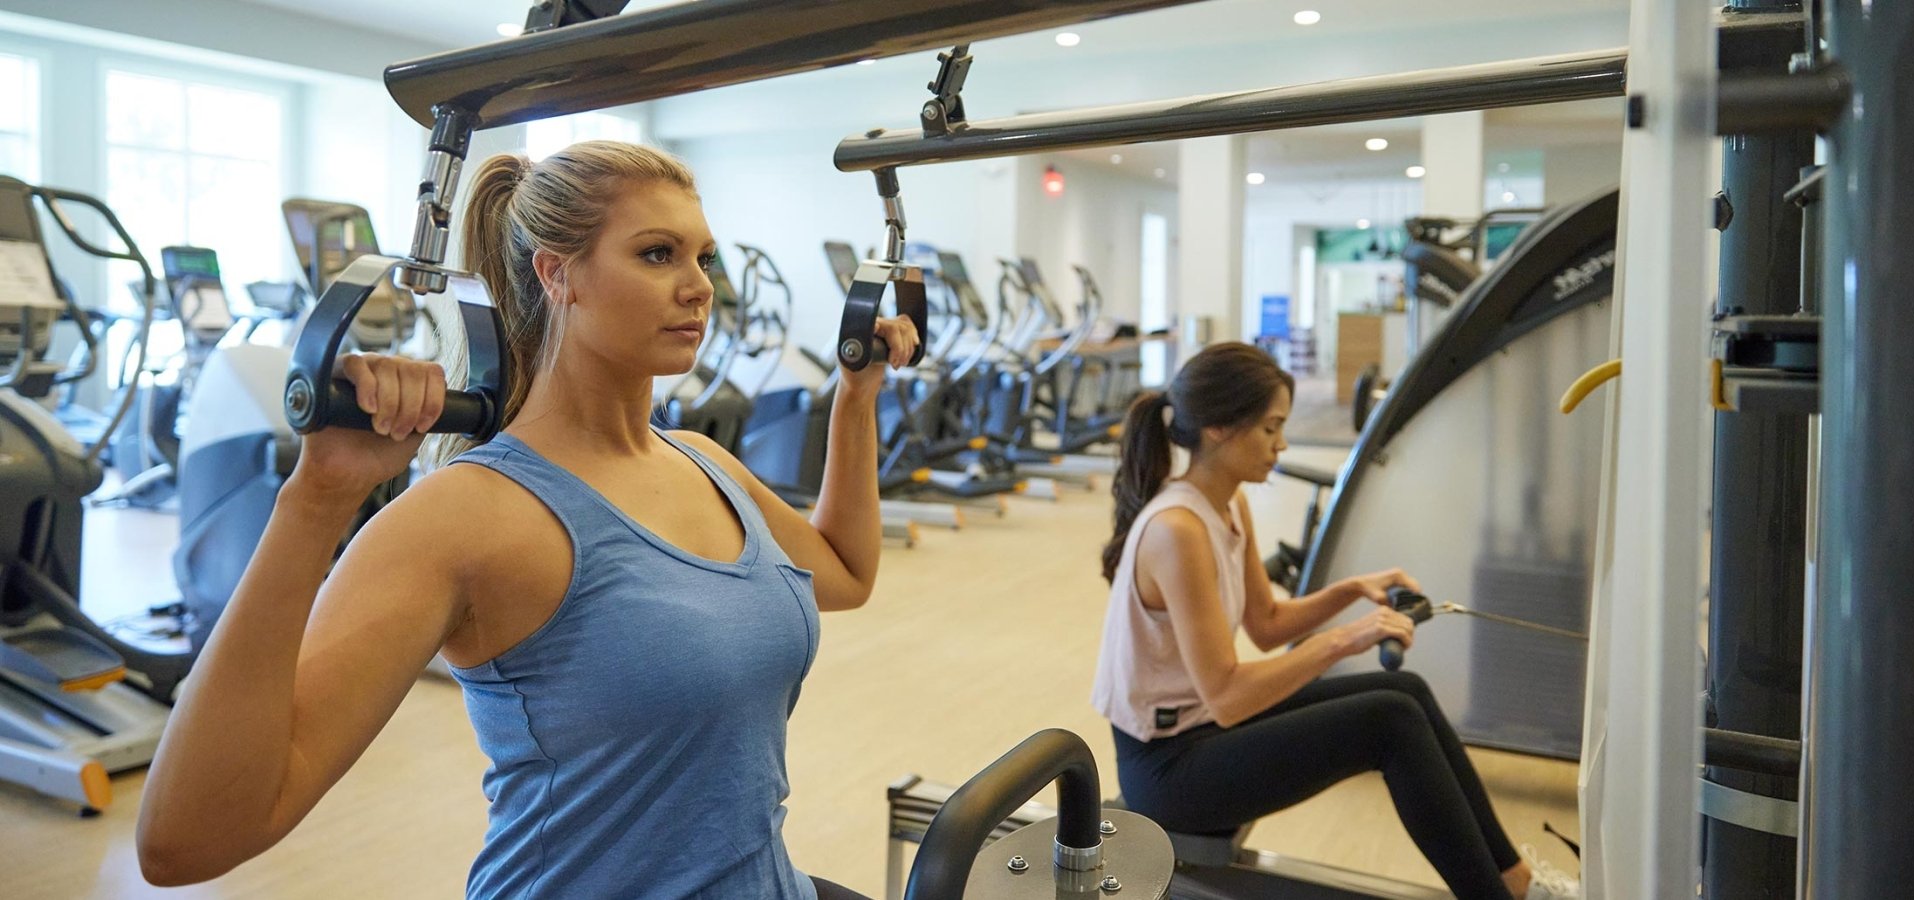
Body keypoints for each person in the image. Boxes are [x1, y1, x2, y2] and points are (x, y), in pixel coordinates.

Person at [136, 141, 916, 900]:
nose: (698, 286)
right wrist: (317, 500)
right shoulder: (471, 514)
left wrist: (856, 398)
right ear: (558, 273)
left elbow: (844, 572)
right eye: (657, 254)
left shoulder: (705, 462)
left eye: (703, 258)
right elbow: (187, 840)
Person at [1091, 342, 1578, 900]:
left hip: (1200, 728)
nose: (1282, 444)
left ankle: (1515, 882)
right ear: (1220, 429)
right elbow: (1226, 693)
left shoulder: (1226, 504)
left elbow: (1268, 623)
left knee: (1405, 690)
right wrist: (1350, 637)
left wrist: (1353, 591)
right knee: (1388, 720)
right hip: (1167, 770)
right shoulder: (1177, 530)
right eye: (1270, 428)